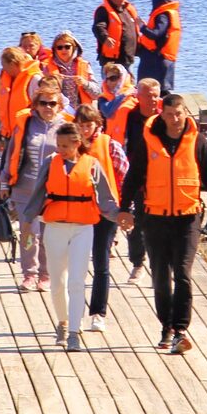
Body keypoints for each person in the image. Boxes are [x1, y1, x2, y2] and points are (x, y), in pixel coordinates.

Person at [119, 93, 207, 354]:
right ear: (162, 114)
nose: (175, 119)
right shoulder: (149, 142)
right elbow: (133, 176)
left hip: (188, 217)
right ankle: (165, 326)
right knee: (160, 275)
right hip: (154, 217)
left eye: (179, 113)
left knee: (182, 272)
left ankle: (180, 330)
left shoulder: (196, 141)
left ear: (186, 113)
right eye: (170, 114)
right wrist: (125, 209)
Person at [25, 122, 122, 351]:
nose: (61, 150)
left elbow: (107, 200)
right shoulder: (51, 163)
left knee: (77, 281)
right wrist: (28, 222)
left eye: (66, 146)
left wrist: (121, 217)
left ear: (78, 144)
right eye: (58, 145)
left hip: (83, 228)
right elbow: (38, 193)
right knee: (58, 282)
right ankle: (63, 322)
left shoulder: (92, 165)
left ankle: (74, 332)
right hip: (55, 227)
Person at [0, 79, 69, 291]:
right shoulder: (25, 124)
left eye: (52, 103)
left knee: (48, 235)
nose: (48, 107)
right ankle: (29, 274)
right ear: (35, 104)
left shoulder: (65, 126)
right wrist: (4, 182)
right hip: (24, 188)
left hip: (53, 191)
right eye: (43, 103)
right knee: (28, 234)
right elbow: (11, 155)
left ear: (59, 105)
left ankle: (46, 274)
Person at [74, 105, 128, 333]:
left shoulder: (110, 145)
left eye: (89, 125)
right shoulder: (71, 146)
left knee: (101, 264)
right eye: (82, 125)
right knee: (75, 266)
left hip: (105, 214)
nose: (85, 130)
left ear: (98, 124)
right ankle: (72, 313)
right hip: (76, 213)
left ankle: (98, 313)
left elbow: (124, 176)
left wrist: (125, 209)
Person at [117, 78, 164, 280]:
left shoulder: (164, 118)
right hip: (133, 175)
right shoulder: (129, 117)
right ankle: (138, 262)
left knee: (158, 223)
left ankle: (159, 265)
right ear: (138, 96)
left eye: (155, 95)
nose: (152, 99)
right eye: (148, 95)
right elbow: (120, 144)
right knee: (133, 220)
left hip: (160, 176)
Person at [135, 0, 182, 95]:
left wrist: (142, 27)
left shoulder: (163, 16)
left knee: (146, 87)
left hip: (156, 60)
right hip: (167, 59)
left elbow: (156, 34)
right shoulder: (171, 13)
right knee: (162, 90)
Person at [0, 47, 43, 145]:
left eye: (4, 66)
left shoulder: (34, 80)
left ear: (12, 64)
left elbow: (42, 107)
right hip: (9, 135)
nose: (3, 70)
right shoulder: (7, 80)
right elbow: (4, 110)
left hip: (27, 135)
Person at [91, 0, 139, 71]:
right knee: (111, 83)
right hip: (112, 59)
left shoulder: (127, 9)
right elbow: (98, 27)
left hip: (127, 57)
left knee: (128, 84)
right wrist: (105, 38)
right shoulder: (103, 10)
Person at [48, 30, 97, 113]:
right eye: (59, 47)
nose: (63, 50)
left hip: (82, 115)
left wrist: (85, 83)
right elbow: (42, 94)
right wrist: (52, 82)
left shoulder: (85, 65)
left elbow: (97, 94)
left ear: (74, 47)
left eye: (67, 47)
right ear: (55, 50)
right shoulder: (48, 68)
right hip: (59, 114)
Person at [98, 63, 134, 140]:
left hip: (127, 140)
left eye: (113, 78)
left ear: (122, 78)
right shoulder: (103, 98)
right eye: (107, 79)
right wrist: (123, 96)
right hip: (110, 140)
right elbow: (107, 112)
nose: (109, 82)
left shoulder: (134, 95)